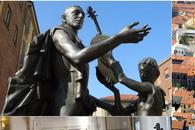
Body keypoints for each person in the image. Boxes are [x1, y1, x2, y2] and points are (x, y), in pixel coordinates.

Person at [4, 5, 150, 116]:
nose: (80, 16)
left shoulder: (79, 44)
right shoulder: (59, 32)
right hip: (63, 107)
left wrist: (110, 107)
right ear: (64, 18)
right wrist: (119, 38)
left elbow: (80, 90)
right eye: (75, 13)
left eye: (82, 14)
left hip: (78, 107)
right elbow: (77, 56)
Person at [97, 56, 166, 116]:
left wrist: (110, 60)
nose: (143, 75)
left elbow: (122, 79)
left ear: (157, 74)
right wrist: (115, 91)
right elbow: (120, 112)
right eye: (141, 72)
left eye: (148, 71)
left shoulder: (151, 88)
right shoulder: (141, 100)